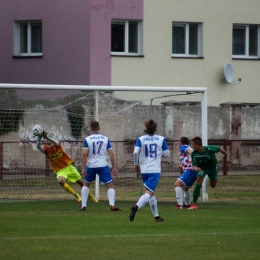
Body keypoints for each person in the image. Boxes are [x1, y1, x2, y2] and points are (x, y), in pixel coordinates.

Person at [36, 130, 98, 203]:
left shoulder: (57, 143)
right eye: (45, 138)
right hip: (59, 170)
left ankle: (90, 197)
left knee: (81, 183)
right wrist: (39, 138)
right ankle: (76, 195)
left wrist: (46, 137)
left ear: (51, 137)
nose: (46, 139)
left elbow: (55, 142)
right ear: (44, 140)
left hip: (68, 166)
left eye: (48, 137)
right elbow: (38, 147)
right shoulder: (45, 149)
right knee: (61, 181)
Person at [129, 119, 170, 222]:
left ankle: (156, 216)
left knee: (152, 192)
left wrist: (136, 164)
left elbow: (135, 153)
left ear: (145, 128)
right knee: (149, 192)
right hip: (155, 170)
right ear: (156, 128)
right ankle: (136, 206)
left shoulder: (141, 139)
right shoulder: (161, 139)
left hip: (144, 169)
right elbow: (167, 154)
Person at [80, 121, 121, 211]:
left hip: (91, 166)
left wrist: (83, 168)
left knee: (86, 184)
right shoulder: (106, 139)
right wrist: (113, 167)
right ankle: (112, 205)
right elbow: (111, 154)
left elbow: (84, 154)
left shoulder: (87, 139)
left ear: (90, 129)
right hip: (103, 165)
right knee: (109, 185)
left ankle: (83, 205)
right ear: (99, 128)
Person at [188, 136, 228, 209]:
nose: (192, 147)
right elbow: (194, 165)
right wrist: (195, 167)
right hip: (202, 168)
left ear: (196, 145)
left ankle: (212, 178)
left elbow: (220, 149)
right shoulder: (194, 153)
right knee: (199, 183)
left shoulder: (209, 149)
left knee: (213, 185)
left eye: (192, 145)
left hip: (212, 168)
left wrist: (226, 155)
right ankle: (194, 204)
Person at [174, 136, 197, 209]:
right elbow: (188, 158)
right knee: (185, 188)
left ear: (180, 142)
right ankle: (187, 204)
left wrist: (194, 159)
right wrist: (183, 165)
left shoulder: (183, 147)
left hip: (190, 171)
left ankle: (180, 205)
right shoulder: (187, 147)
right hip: (191, 171)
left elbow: (191, 153)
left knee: (177, 185)